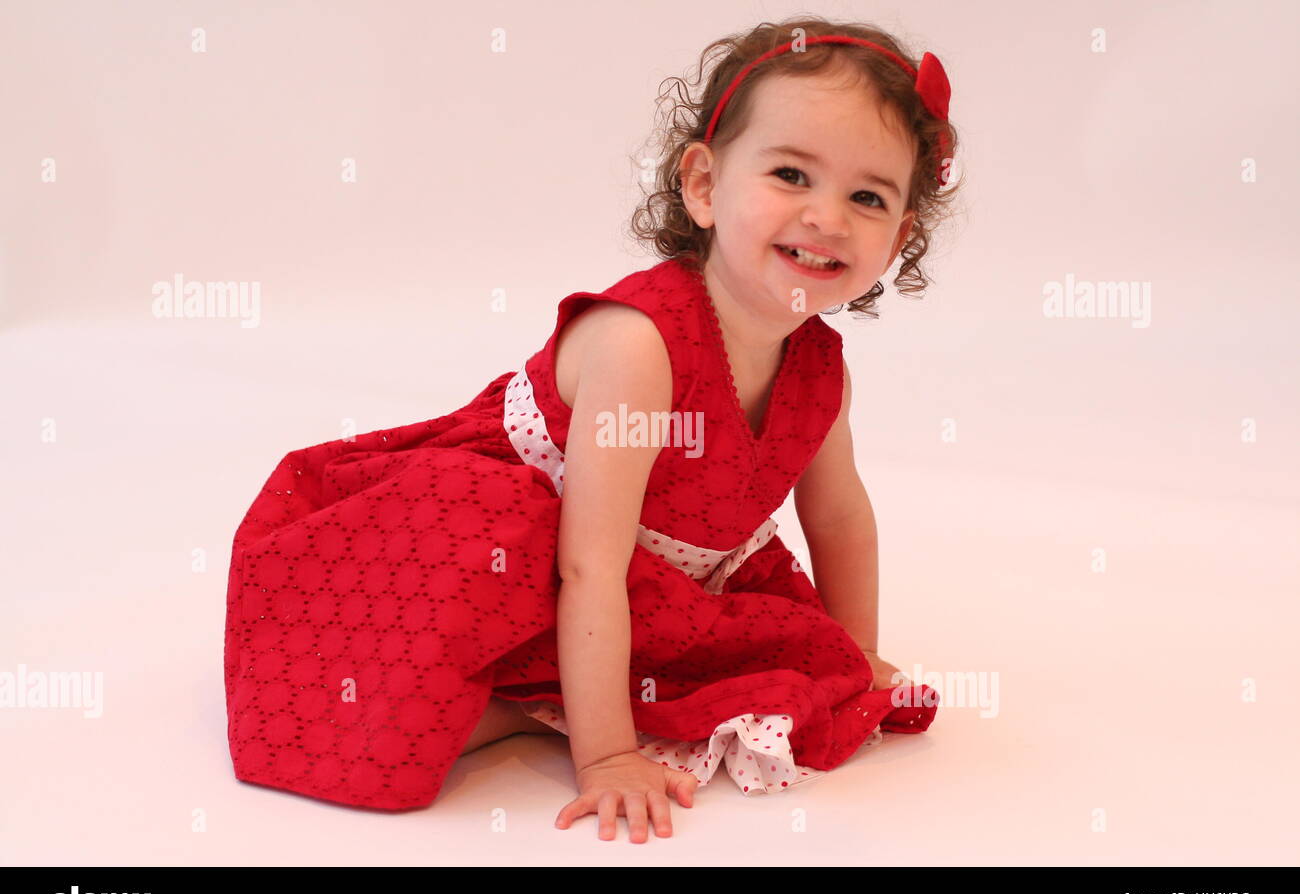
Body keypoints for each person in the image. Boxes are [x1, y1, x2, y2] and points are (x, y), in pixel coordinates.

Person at [223, 16, 961, 842]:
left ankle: (553, 693)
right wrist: (607, 755)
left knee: (783, 658)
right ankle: (523, 703)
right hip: (508, 548)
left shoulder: (821, 369)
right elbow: (586, 560)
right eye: (792, 174)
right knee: (402, 713)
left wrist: (855, 658)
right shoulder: (639, 345)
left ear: (897, 236)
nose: (827, 216)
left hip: (636, 584)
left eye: (868, 197)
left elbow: (840, 517)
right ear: (705, 186)